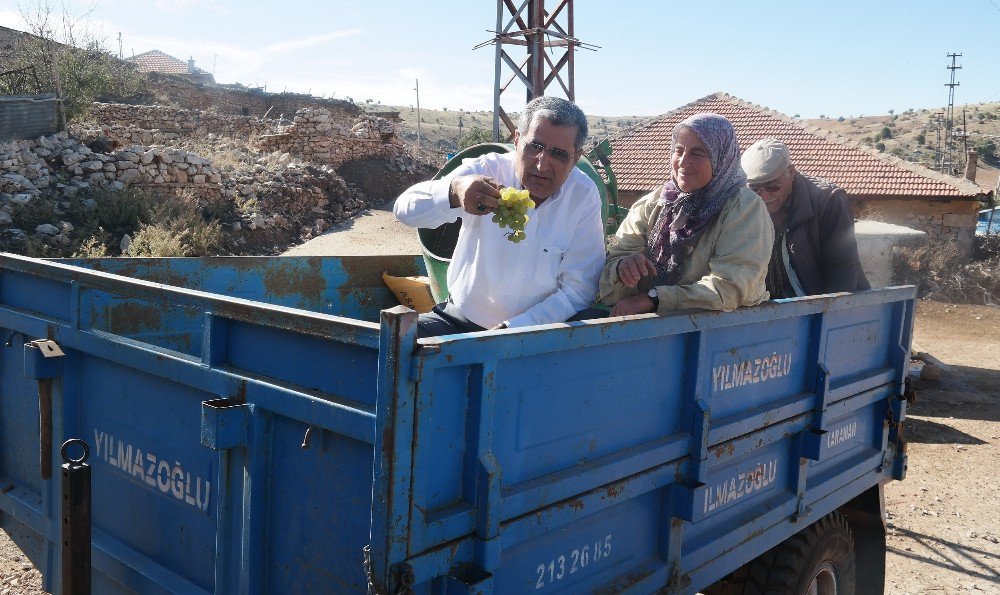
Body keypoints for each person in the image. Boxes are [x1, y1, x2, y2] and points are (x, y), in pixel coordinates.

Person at [394, 96, 605, 337]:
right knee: (397, 345)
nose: (542, 164)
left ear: (576, 157)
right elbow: (404, 209)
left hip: (537, 333)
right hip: (461, 322)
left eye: (558, 154)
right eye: (534, 146)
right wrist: (453, 192)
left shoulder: (583, 195)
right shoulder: (486, 171)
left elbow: (580, 288)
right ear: (517, 140)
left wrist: (516, 328)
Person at [599, 113, 773, 316]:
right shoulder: (657, 202)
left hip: (723, 332)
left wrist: (655, 299)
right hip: (652, 330)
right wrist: (622, 269)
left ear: (721, 158)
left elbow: (729, 288)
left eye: (697, 153)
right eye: (678, 150)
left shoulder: (744, 208)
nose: (683, 162)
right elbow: (612, 262)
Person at [741, 138, 870, 298]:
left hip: (824, 307)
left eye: (773, 186)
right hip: (775, 311)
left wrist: (828, 318)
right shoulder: (745, 204)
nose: (765, 196)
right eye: (755, 189)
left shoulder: (828, 200)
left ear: (791, 172)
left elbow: (841, 268)